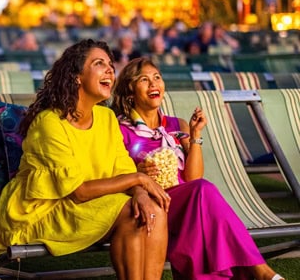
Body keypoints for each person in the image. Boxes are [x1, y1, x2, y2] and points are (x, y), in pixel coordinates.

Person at [0, 39, 170, 280]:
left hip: (90, 205)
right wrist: (139, 179)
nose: (110, 70)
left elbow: (122, 167)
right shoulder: (49, 123)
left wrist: (141, 192)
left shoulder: (106, 118)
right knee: (130, 212)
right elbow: (78, 191)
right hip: (42, 213)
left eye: (111, 65)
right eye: (99, 63)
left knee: (151, 209)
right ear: (77, 77)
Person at [111, 57, 284, 280]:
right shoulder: (120, 129)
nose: (153, 84)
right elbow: (115, 172)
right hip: (152, 204)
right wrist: (139, 175)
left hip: (187, 201)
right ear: (130, 91)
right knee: (203, 192)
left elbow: (193, 176)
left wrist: (195, 136)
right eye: (144, 80)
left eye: (157, 78)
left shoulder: (177, 125)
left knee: (201, 195)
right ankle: (260, 272)